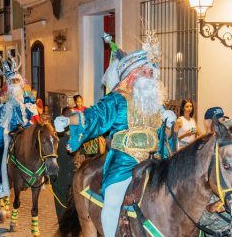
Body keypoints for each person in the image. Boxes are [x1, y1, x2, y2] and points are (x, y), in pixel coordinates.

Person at [55, 31, 168, 236]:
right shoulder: (117, 101)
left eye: (152, 73)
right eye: (146, 72)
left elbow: (161, 135)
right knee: (114, 200)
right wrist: (69, 119)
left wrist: (167, 120)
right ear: (133, 75)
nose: (151, 77)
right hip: (124, 163)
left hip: (155, 162)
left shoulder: (154, 104)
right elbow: (94, 117)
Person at [0, 56, 36, 201]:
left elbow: (32, 112)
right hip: (6, 130)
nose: (14, 84)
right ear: (7, 83)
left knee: (37, 147)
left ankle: (39, 175)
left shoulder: (27, 97)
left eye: (16, 81)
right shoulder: (1, 98)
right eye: (12, 82)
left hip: (23, 128)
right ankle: (0, 182)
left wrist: (22, 103)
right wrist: (2, 104)